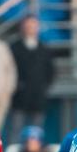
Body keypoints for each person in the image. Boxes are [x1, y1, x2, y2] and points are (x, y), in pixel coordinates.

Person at [9, 16, 55, 145]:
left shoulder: (44, 48)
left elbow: (50, 71)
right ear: (22, 28)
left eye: (33, 26)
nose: (30, 29)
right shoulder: (14, 47)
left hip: (38, 96)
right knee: (16, 128)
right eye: (27, 26)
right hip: (19, 96)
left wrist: (43, 87)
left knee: (37, 130)